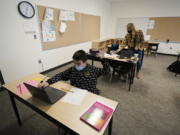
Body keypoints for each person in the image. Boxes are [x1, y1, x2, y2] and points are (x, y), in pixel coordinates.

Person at [38, 50, 110, 95]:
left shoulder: (93, 69)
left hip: (90, 94)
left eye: (78, 63)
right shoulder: (72, 69)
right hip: (75, 94)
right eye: (74, 63)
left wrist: (103, 60)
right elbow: (60, 75)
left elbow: (107, 72)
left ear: (85, 62)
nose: (75, 66)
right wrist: (48, 82)